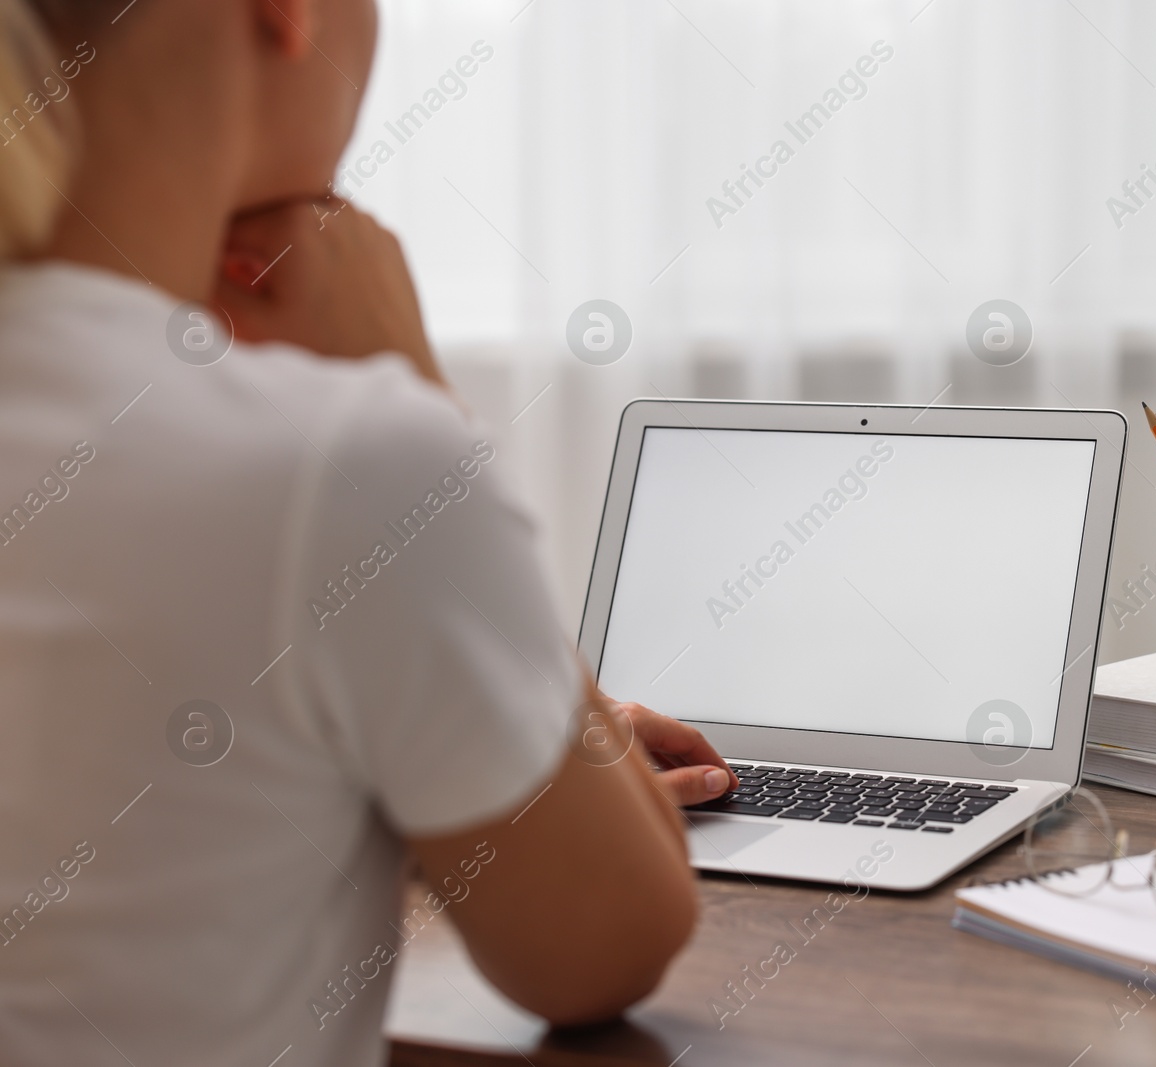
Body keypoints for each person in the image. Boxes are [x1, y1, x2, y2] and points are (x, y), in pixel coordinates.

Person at [0, 1, 736, 1063]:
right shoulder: (342, 461)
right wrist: (423, 396)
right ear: (285, 14)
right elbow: (608, 948)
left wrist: (449, 737)